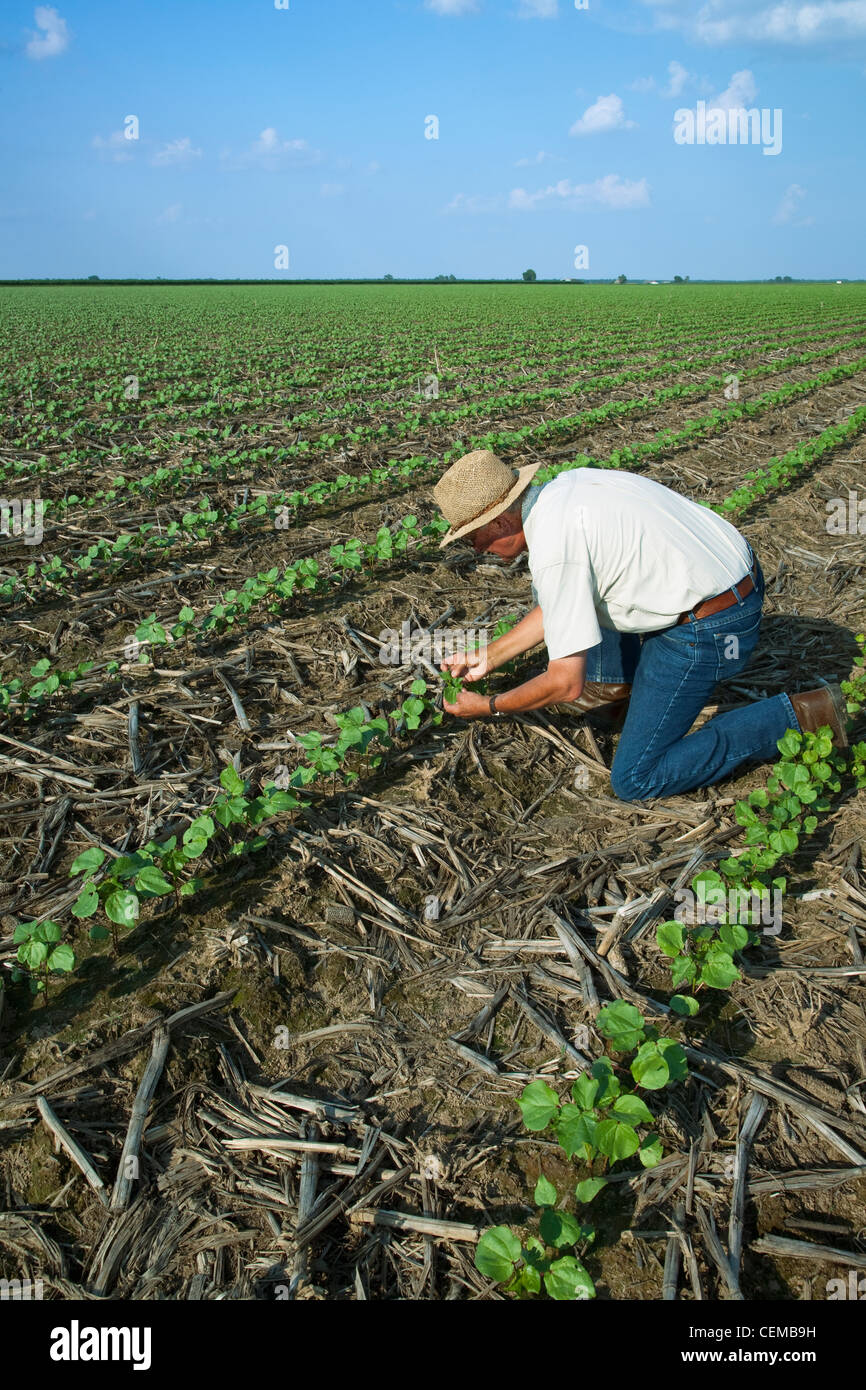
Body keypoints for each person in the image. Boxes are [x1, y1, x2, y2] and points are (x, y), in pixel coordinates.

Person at [433, 449, 848, 801]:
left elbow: (564, 683)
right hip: (733, 573)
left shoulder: (556, 549)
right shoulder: (567, 488)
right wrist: (488, 656)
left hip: (714, 624)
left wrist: (488, 705)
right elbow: (560, 604)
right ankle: (619, 690)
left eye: (475, 538)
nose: (479, 550)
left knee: (635, 778)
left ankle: (801, 716)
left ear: (502, 522)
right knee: (570, 602)